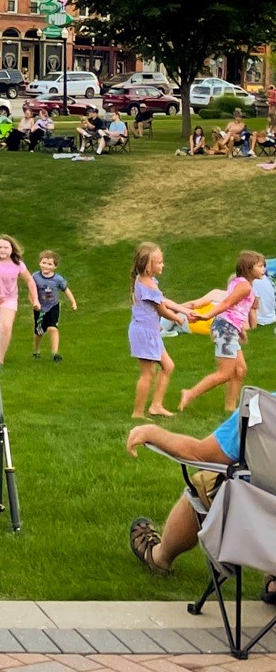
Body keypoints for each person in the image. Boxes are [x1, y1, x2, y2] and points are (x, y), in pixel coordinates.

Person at [126, 406, 274, 603]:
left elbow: (201, 455)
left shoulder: (262, 409)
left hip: (261, 533)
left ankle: (159, 557)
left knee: (207, 482)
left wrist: (152, 433)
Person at [180, 252, 265, 413]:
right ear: (249, 268)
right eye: (260, 266)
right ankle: (190, 393)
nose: (263, 270)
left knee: (240, 370)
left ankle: (230, 409)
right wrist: (206, 315)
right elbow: (226, 303)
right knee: (225, 373)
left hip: (230, 328)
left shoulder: (241, 283)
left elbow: (236, 310)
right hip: (225, 328)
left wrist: (239, 330)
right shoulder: (244, 286)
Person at [130, 243, 191, 418]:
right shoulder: (148, 285)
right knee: (148, 373)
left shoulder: (148, 280)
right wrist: (178, 317)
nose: (162, 265)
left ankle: (156, 406)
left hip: (149, 331)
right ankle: (138, 412)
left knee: (168, 366)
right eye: (159, 262)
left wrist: (184, 309)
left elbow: (162, 300)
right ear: (148, 266)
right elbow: (162, 310)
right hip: (144, 333)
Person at [0, 235, 38, 366]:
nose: (2, 250)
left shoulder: (18, 264)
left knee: (6, 326)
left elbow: (29, 280)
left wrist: (35, 299)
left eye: (5, 247)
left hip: (9, 298)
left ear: (12, 249)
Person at [31, 249, 78, 361]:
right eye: (44, 263)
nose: (46, 266)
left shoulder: (58, 279)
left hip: (53, 306)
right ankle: (36, 350)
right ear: (39, 263)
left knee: (53, 328)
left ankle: (55, 353)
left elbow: (66, 290)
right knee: (39, 332)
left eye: (50, 264)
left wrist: (73, 302)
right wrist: (34, 302)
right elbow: (31, 291)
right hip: (40, 308)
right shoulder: (35, 277)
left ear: (55, 266)